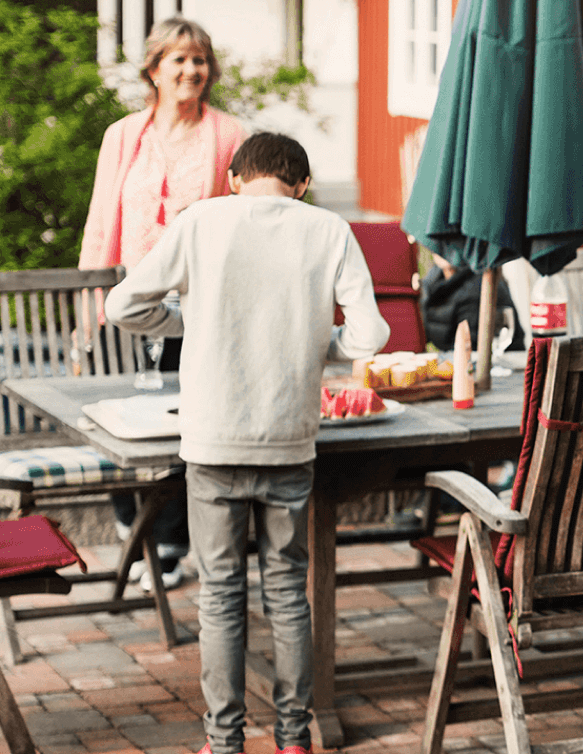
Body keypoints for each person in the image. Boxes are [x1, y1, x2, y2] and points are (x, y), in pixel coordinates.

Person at [104, 132, 390, 754]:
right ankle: (293, 740)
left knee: (220, 595)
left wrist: (185, 318)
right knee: (288, 592)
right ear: (303, 183)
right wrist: (325, 348)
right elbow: (369, 335)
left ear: (233, 177)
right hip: (290, 441)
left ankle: (224, 742)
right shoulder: (328, 230)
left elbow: (124, 304)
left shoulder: (201, 219)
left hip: (213, 442)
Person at [80, 17, 248, 592]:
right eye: (178, 59)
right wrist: (91, 302)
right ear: (154, 69)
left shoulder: (231, 135)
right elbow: (104, 219)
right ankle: (132, 529)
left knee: (186, 420)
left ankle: (172, 543)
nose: (190, 70)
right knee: (113, 414)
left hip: (195, 305)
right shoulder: (124, 135)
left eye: (199, 60)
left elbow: (244, 225)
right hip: (127, 296)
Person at [419, 253, 524, 353]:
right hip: (454, 358)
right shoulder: (432, 280)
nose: (443, 248)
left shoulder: (482, 283)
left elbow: (473, 345)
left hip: (500, 361)